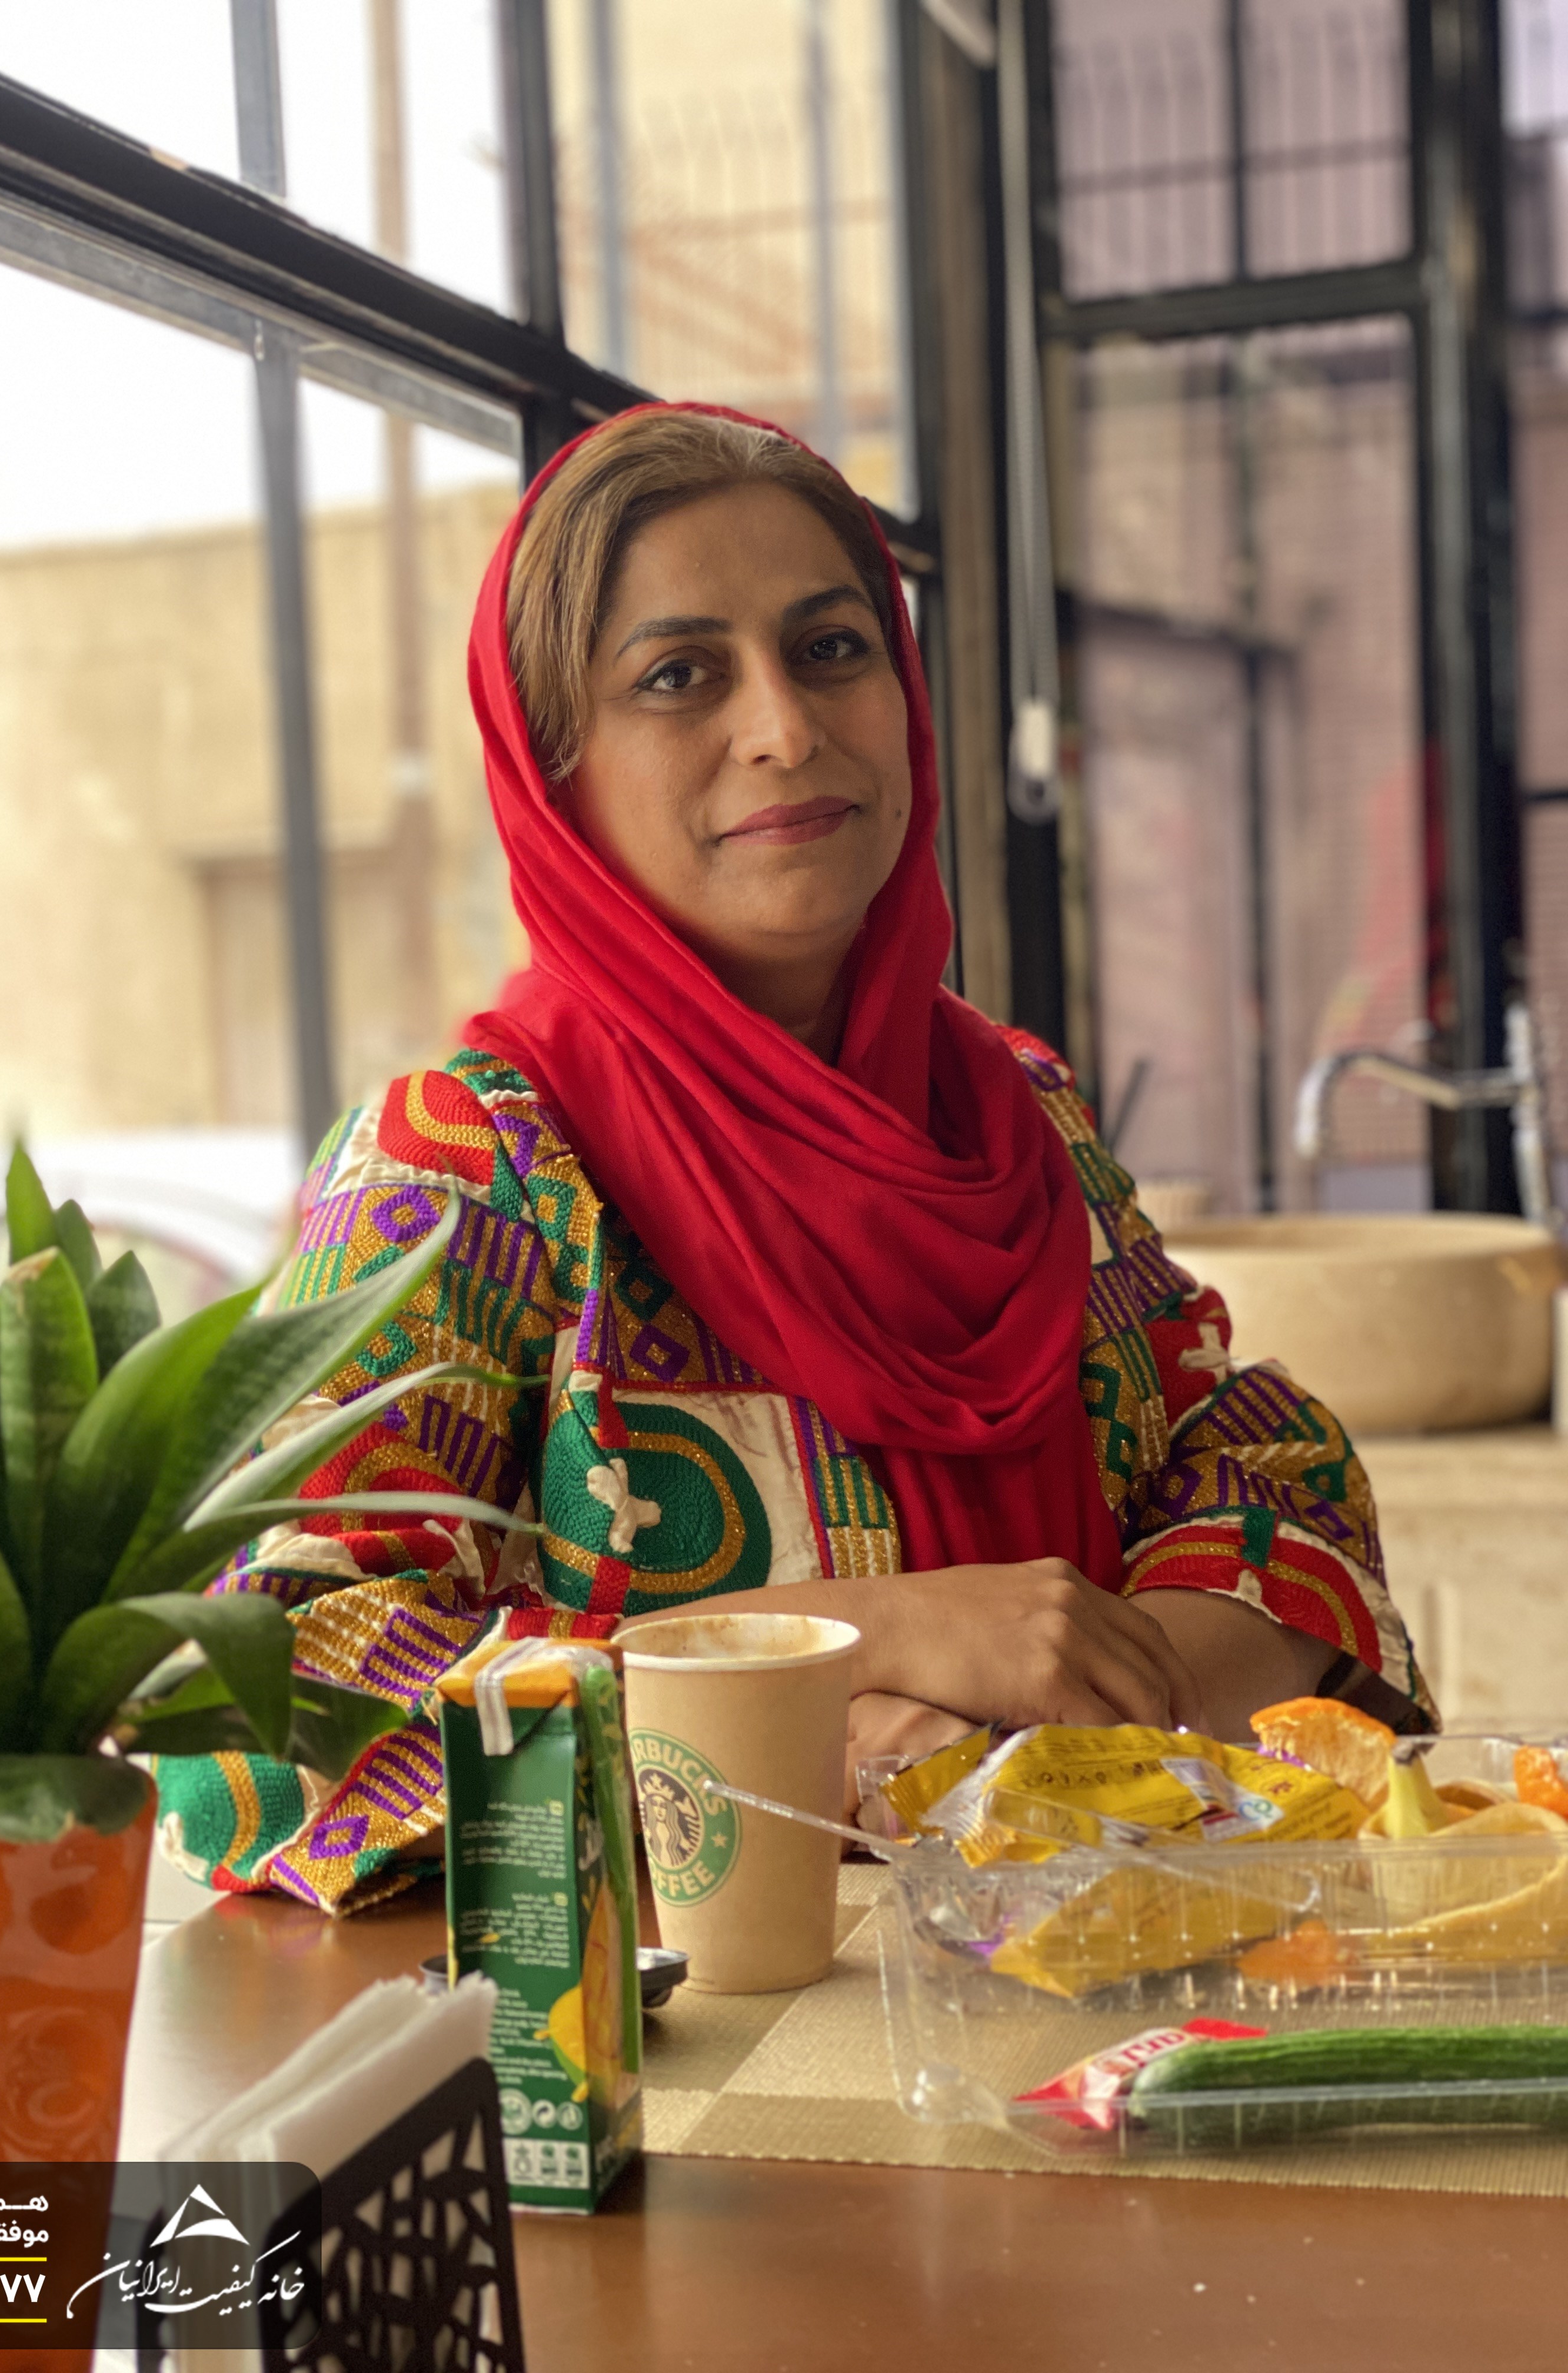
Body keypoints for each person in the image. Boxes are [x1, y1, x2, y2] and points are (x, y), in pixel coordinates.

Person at [158, 405, 1431, 1915]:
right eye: (679, 675)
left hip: (1111, 1964)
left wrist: (1083, 1742)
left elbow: (1264, 1471)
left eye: (832, 649)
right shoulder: (468, 1166)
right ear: (555, 770)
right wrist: (852, 1655)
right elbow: (264, 1688)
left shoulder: (1018, 1114)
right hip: (679, 2041)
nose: (785, 727)